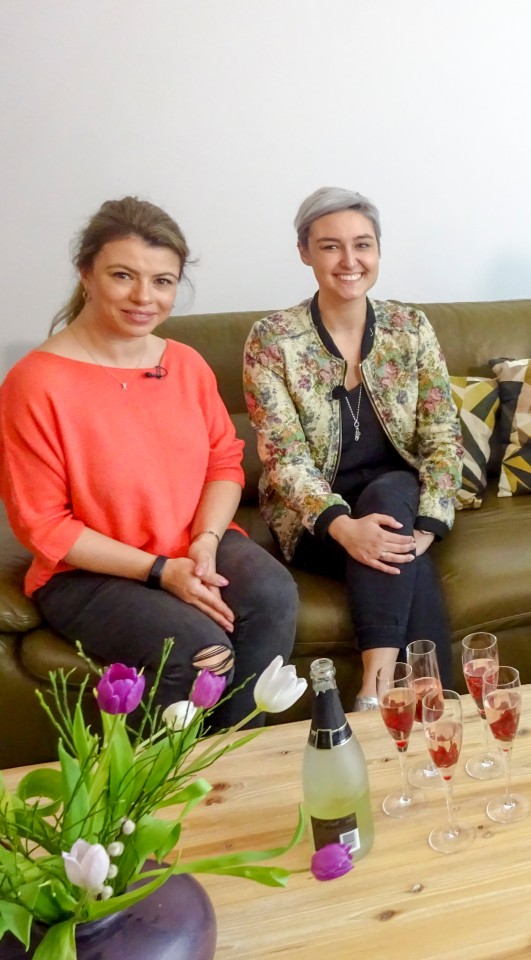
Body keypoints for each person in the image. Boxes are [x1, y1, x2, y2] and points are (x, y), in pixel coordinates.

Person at [0, 197, 297, 727]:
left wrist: (205, 542)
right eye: (123, 275)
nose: (145, 297)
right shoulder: (35, 383)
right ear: (85, 273)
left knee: (273, 595)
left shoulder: (184, 364)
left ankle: (234, 771)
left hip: (191, 542)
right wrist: (160, 571)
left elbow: (224, 463)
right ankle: (160, 795)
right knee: (199, 651)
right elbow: (42, 525)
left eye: (163, 281)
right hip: (87, 572)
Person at [244, 187, 461, 708]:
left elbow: (442, 434)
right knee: (398, 549)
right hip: (316, 518)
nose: (349, 261)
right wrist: (344, 527)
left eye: (362, 245)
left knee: (390, 497)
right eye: (330, 247)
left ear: (378, 251)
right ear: (304, 252)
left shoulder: (410, 328)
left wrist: (428, 526)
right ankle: (430, 702)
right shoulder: (272, 340)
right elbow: (284, 457)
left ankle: (373, 693)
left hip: (402, 499)